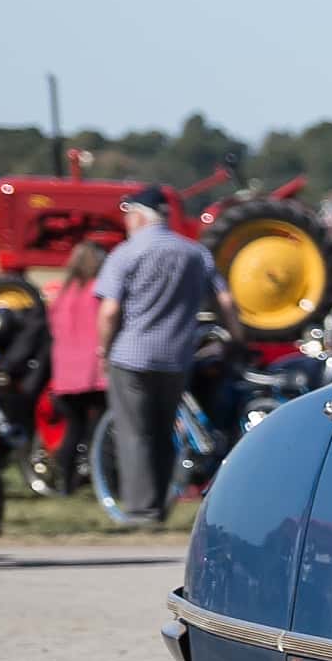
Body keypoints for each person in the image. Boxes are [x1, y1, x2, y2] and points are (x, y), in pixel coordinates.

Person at [90, 189, 229, 526]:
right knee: (165, 431)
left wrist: (103, 350)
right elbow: (225, 301)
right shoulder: (194, 252)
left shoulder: (126, 253)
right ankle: (162, 502)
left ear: (138, 216)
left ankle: (141, 510)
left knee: (134, 432)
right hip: (176, 355)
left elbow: (109, 311)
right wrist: (236, 337)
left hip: (131, 354)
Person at [43, 238, 112, 492]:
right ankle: (100, 479)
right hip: (94, 371)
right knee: (99, 430)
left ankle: (65, 482)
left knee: (73, 429)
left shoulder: (63, 293)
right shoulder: (99, 291)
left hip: (66, 374)